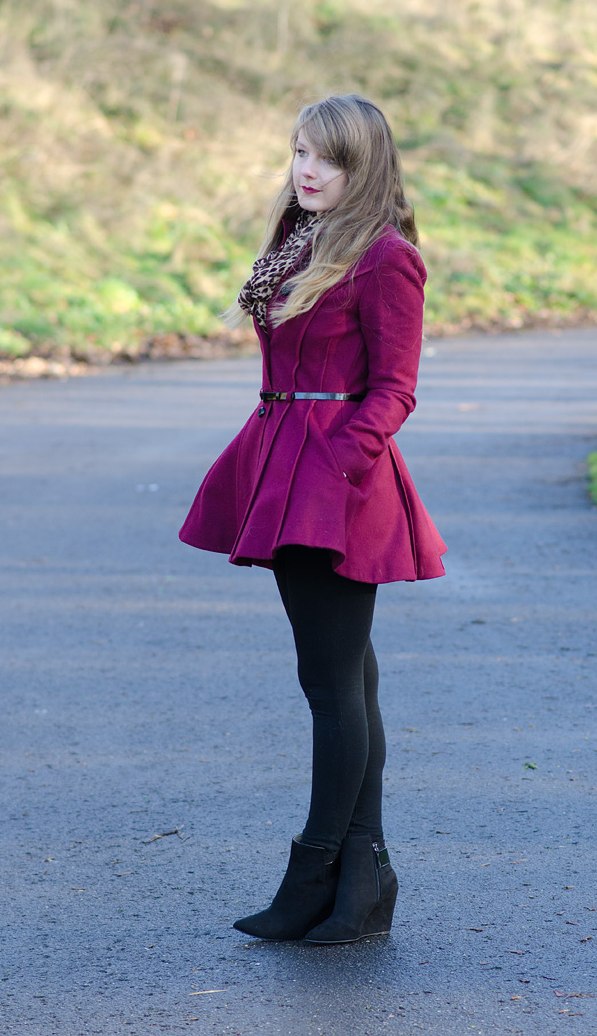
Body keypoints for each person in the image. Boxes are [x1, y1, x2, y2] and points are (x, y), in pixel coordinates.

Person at [179, 93, 446, 944]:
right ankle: (362, 879)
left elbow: (395, 390)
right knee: (347, 678)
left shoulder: (384, 257)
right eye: (300, 150)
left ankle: (319, 869)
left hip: (336, 482)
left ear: (363, 167)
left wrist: (335, 465)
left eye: (327, 157)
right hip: (281, 460)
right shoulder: (300, 241)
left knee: (330, 686)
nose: (307, 168)